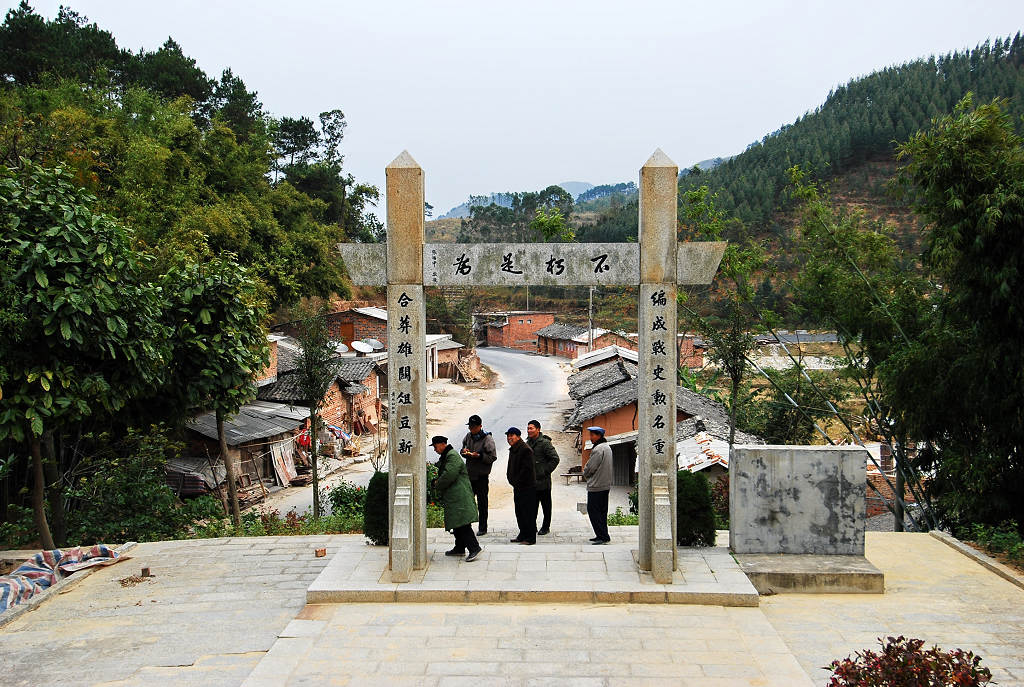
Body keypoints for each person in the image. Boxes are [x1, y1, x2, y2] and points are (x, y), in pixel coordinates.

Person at [430, 435, 483, 562]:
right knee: (457, 523)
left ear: (442, 444)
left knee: (462, 523)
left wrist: (437, 484)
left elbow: (449, 474)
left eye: (435, 446)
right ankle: (459, 547)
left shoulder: (452, 455)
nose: (435, 450)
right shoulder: (447, 456)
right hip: (455, 495)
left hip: (460, 495)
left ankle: (474, 548)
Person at [461, 414, 496, 536]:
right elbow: (463, 449)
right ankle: (466, 527)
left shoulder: (487, 438)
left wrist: (480, 456)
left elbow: (492, 457)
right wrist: (464, 452)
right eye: (470, 427)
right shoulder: (468, 436)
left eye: (474, 427)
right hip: (470, 475)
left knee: (482, 503)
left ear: (480, 426)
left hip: (481, 476)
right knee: (467, 502)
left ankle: (482, 527)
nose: (471, 429)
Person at [526, 420, 560, 535]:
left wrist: (544, 471)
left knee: (546, 506)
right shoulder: (528, 443)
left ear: (538, 429)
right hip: (531, 482)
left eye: (531, 428)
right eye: (528, 428)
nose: (529, 430)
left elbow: (555, 459)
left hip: (543, 482)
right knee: (531, 506)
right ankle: (532, 526)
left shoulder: (545, 443)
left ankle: (546, 527)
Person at [505, 427, 537, 545]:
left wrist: (517, 481)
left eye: (512, 435)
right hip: (518, 486)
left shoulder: (525, 449)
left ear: (518, 437)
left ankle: (530, 538)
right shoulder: (514, 449)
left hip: (526, 487)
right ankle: (522, 534)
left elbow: (526, 470)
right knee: (520, 512)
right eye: (508, 436)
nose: (509, 438)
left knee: (528, 512)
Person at [583, 426, 613, 544]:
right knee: (602, 512)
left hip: (596, 485)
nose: (590, 437)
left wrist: (586, 474)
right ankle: (603, 534)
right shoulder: (607, 447)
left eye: (592, 435)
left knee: (593, 511)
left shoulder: (598, 449)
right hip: (605, 484)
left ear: (599, 436)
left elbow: (590, 467)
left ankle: (602, 536)